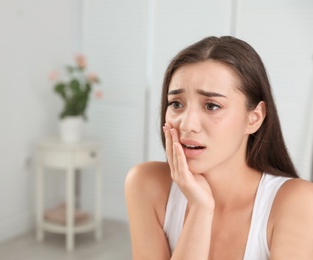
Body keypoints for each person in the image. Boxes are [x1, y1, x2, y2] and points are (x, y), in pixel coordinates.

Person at [125, 36, 313, 259]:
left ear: (254, 118)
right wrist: (200, 209)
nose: (187, 124)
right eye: (176, 104)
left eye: (212, 106)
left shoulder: (297, 202)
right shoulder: (147, 184)